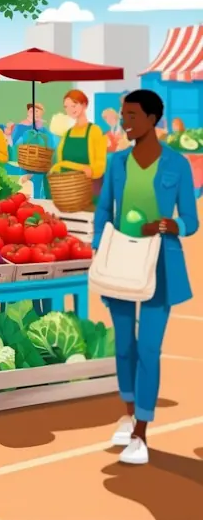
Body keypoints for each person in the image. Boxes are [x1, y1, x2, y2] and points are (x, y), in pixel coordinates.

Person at [96, 89, 198, 465]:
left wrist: (174, 224)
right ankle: (127, 412)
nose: (125, 121)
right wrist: (100, 249)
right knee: (124, 345)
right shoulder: (117, 162)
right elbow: (105, 208)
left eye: (132, 115)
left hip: (162, 264)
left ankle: (141, 430)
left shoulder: (177, 165)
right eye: (124, 114)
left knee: (149, 349)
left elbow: (192, 219)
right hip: (120, 261)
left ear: (153, 119)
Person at [54, 90, 108, 197]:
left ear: (84, 105)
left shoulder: (95, 131)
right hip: (68, 189)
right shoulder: (67, 134)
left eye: (74, 105)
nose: (70, 110)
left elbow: (99, 166)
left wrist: (87, 171)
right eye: (66, 107)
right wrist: (82, 168)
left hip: (90, 189)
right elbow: (59, 163)